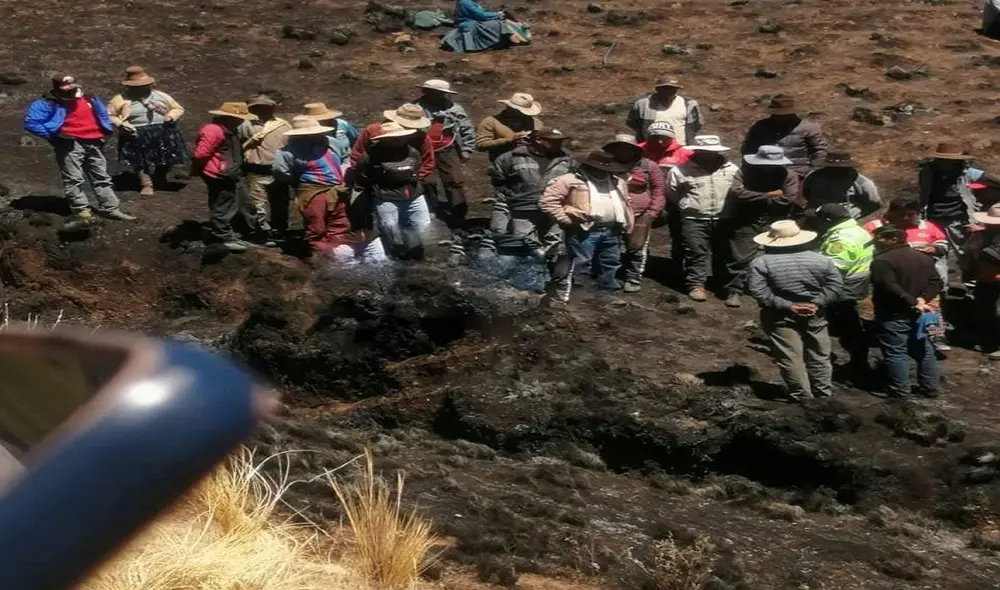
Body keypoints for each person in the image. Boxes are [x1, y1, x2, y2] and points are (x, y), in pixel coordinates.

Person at [747, 220, 843, 401]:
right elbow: (835, 285)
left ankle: (802, 396)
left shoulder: (761, 263)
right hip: (815, 314)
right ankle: (823, 394)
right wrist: (817, 303)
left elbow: (758, 291)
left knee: (790, 356)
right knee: (820, 354)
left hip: (779, 315)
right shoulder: (822, 260)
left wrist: (788, 305)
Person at [23, 74, 135, 221]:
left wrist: (106, 131)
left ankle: (111, 208)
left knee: (101, 177)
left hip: (94, 140)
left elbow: (102, 113)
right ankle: (81, 210)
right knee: (74, 178)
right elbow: (32, 122)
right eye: (65, 88)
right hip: (69, 143)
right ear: (57, 88)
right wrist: (55, 137)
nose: (69, 91)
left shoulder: (89, 97)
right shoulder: (48, 102)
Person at [273, 116, 384, 263]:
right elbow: (281, 172)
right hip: (312, 191)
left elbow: (344, 157)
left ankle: (337, 254)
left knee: (340, 223)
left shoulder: (331, 143)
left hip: (337, 189)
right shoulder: (287, 152)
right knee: (316, 226)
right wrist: (298, 182)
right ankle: (320, 257)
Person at [542, 150, 634, 302]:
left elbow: (626, 202)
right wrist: (565, 220)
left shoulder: (618, 182)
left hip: (611, 229)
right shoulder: (569, 180)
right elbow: (548, 201)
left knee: (610, 261)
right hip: (583, 229)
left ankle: (607, 294)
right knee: (579, 262)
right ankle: (576, 295)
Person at [723, 145, 804, 308]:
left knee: (777, 256)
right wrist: (770, 194)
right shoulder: (744, 172)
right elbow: (737, 194)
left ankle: (773, 290)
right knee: (740, 257)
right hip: (747, 219)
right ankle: (735, 290)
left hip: (776, 220)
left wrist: (753, 196)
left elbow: (788, 198)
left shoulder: (789, 175)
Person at [870, 224, 944, 398]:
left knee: (896, 352)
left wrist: (912, 302)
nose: (875, 242)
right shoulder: (923, 258)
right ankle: (931, 388)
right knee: (925, 350)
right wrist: (922, 300)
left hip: (893, 313)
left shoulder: (882, 261)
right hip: (921, 312)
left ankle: (899, 392)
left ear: (892, 239)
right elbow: (936, 282)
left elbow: (889, 286)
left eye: (879, 238)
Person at [667, 135, 740, 301]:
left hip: (725, 217)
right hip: (694, 218)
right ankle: (696, 284)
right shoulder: (680, 170)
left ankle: (722, 284)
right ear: (697, 151)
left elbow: (738, 192)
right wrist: (689, 206)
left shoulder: (731, 170)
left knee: (724, 252)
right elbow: (672, 194)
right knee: (695, 251)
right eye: (705, 151)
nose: (708, 155)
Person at [918, 143, 997, 285]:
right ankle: (940, 286)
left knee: (966, 253)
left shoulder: (968, 172)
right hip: (934, 219)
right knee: (937, 253)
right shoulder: (928, 172)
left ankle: (971, 284)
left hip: (961, 219)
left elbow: (994, 182)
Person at [813, 203, 875, 380]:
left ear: (828, 220)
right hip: (857, 280)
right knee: (847, 322)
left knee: (847, 324)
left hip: (843, 285)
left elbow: (834, 268)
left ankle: (858, 364)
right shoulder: (857, 230)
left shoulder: (841, 239)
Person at [489, 129, 573, 258]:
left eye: (561, 141)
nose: (560, 144)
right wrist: (511, 196)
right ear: (539, 140)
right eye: (555, 141)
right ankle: (525, 275)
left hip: (555, 209)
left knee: (554, 245)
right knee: (524, 243)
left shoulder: (567, 159)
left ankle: (551, 275)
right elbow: (498, 179)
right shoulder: (511, 157)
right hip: (523, 208)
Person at [106, 66, 187, 197]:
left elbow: (177, 108)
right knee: (139, 160)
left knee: (165, 157)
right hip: (135, 133)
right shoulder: (120, 99)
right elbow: (110, 114)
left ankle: (160, 178)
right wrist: (121, 124)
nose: (141, 88)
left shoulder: (160, 96)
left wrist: (171, 116)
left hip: (162, 130)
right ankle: (146, 183)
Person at [354, 122, 429, 260]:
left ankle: (419, 255)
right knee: (391, 230)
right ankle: (396, 258)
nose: (401, 140)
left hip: (414, 196)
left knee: (422, 226)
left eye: (402, 137)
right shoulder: (369, 156)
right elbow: (361, 175)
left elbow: (418, 169)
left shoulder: (412, 152)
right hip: (386, 199)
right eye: (396, 138)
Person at [192, 102, 258, 252]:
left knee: (243, 203)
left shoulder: (230, 130)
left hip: (230, 173)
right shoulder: (214, 130)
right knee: (223, 205)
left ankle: (239, 233)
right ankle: (223, 236)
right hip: (219, 174)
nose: (242, 121)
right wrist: (217, 168)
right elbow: (200, 154)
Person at [604, 134, 665, 293]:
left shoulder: (649, 166)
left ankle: (633, 277)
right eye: (619, 147)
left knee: (637, 248)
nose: (623, 151)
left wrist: (652, 212)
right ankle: (609, 276)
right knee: (610, 246)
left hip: (641, 214)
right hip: (612, 214)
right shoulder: (605, 164)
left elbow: (659, 190)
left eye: (627, 148)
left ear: (635, 149)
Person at [416, 79, 475, 232]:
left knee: (454, 180)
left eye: (440, 93)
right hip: (422, 150)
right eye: (434, 92)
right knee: (427, 181)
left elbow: (466, 128)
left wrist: (467, 149)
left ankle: (458, 213)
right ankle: (432, 208)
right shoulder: (415, 108)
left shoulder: (455, 109)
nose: (438, 95)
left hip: (447, 148)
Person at [240, 94, 290, 241]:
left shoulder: (283, 125)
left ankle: (279, 230)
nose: (264, 110)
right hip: (256, 170)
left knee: (280, 203)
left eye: (267, 107)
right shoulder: (245, 125)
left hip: (278, 171)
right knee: (257, 205)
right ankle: (261, 232)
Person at [741, 94, 828, 177]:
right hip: (765, 172)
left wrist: (812, 172)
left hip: (798, 172)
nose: (779, 117)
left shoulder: (809, 128)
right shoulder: (760, 126)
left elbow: (819, 151)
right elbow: (749, 148)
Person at [349, 104, 434, 182]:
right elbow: (357, 155)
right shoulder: (373, 130)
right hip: (372, 178)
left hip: (408, 180)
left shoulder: (422, 137)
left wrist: (413, 179)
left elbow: (427, 163)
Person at [965, 204, 1000, 359]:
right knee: (985, 311)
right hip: (986, 281)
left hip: (993, 280)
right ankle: (990, 339)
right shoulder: (982, 236)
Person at [801, 151, 881, 218]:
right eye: (831, 167)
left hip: (846, 220)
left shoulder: (862, 183)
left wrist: (855, 217)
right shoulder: (813, 177)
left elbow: (874, 204)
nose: (835, 170)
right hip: (816, 217)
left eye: (839, 168)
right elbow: (806, 194)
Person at [626, 77, 703, 145]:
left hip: (680, 146)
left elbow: (696, 124)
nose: (669, 91)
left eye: (673, 88)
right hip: (652, 147)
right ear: (657, 89)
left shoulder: (688, 104)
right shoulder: (643, 104)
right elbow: (632, 122)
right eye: (665, 88)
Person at [440, 0, 531, 53]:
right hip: (470, 24)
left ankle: (510, 36)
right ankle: (510, 36)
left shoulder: (471, 2)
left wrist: (496, 15)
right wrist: (497, 14)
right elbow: (480, 15)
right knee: (497, 24)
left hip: (476, 22)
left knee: (499, 22)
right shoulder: (465, 2)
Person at [475, 93, 543, 162]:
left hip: (530, 163)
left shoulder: (535, 123)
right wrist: (510, 140)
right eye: (519, 111)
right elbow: (481, 145)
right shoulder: (490, 122)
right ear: (509, 108)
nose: (523, 114)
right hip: (502, 164)